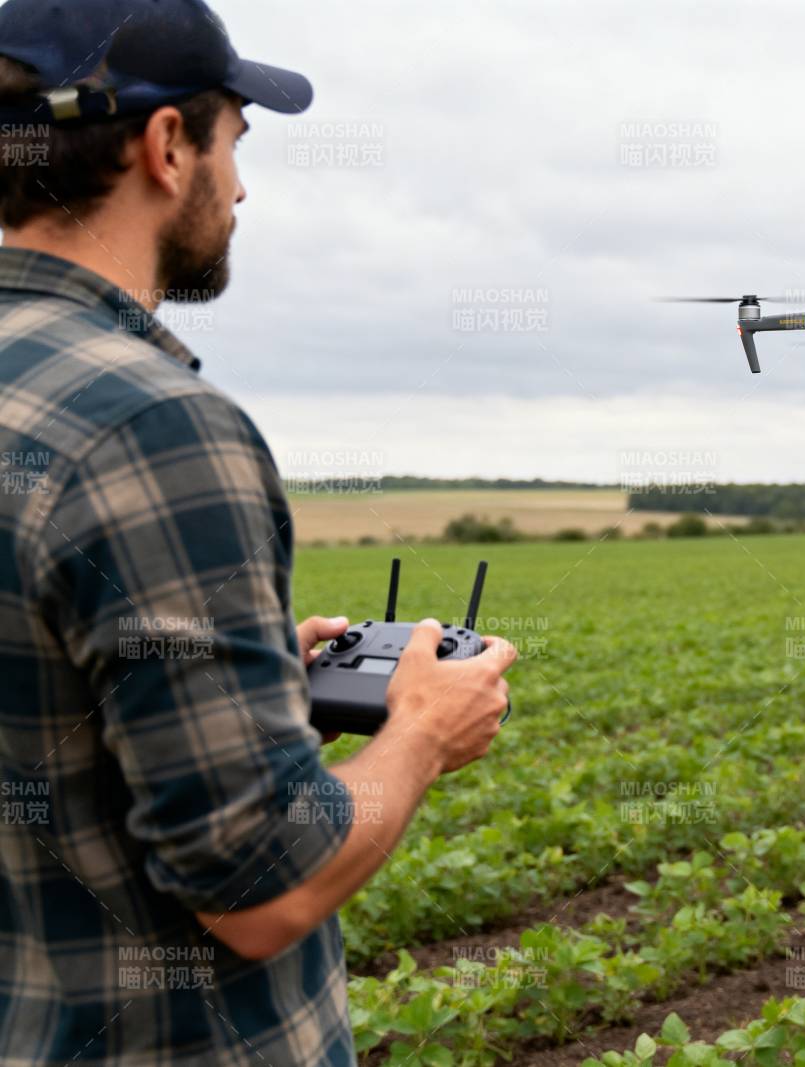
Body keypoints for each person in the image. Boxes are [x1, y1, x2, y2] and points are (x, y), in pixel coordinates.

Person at [0, 1, 517, 1062]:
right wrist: (422, 730)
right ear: (166, 146)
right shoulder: (151, 427)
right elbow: (257, 885)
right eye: (234, 141)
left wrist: (225, 692)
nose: (240, 189)